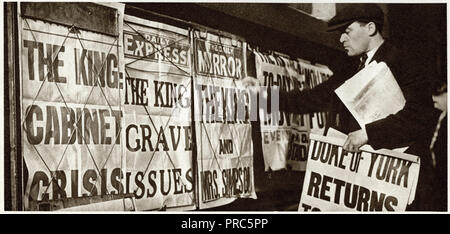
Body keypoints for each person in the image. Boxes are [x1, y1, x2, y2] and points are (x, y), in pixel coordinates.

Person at [243, 4, 436, 211]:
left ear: (370, 28)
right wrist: (262, 95)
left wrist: (367, 134)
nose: (341, 39)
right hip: (359, 182)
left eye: (347, 31)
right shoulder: (350, 67)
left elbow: (420, 117)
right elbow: (312, 99)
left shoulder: (405, 61)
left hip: (395, 183)